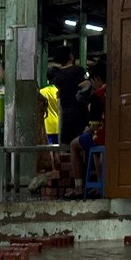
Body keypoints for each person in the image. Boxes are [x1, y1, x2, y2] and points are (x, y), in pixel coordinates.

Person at [68, 60, 106, 198]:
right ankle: (101, 184)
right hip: (115, 138)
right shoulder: (116, 91)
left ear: (97, 79)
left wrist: (86, 129)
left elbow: (94, 126)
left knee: (74, 144)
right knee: (93, 146)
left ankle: (79, 187)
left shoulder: (97, 95)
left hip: (100, 138)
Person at [53, 44, 88, 147]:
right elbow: (85, 86)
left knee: (69, 145)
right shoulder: (78, 70)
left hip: (65, 113)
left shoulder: (58, 75)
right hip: (80, 111)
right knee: (82, 143)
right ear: (70, 56)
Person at [38, 65, 60, 146]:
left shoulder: (41, 92)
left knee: (48, 151)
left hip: (46, 126)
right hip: (57, 126)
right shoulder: (58, 92)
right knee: (57, 151)